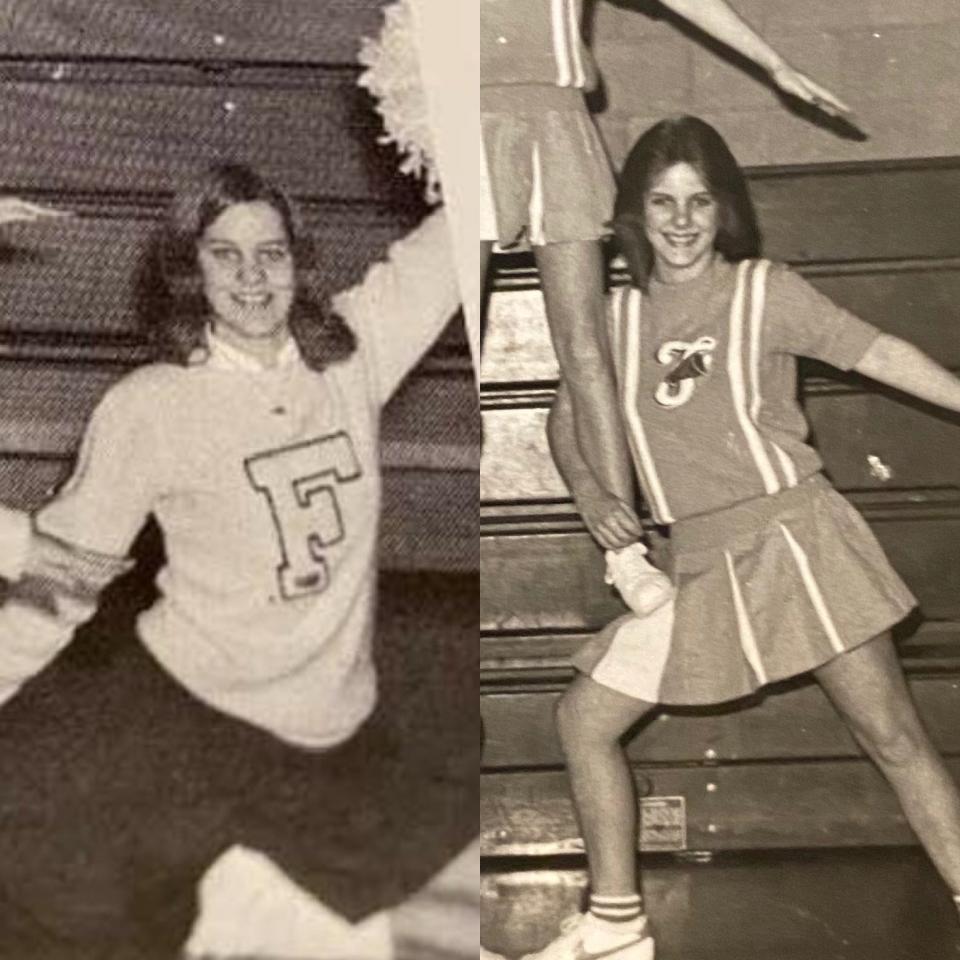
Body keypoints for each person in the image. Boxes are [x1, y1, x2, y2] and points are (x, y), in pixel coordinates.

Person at [0, 163, 476, 959]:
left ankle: (242, 899)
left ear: (300, 263)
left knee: (381, 926)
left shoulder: (355, 355)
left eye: (272, 253)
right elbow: (66, 575)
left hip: (330, 728)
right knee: (66, 903)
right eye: (225, 255)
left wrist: (479, 119)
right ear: (190, 272)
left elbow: (455, 242)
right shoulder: (150, 405)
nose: (252, 277)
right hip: (185, 712)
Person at [532, 115, 960, 960]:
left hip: (793, 542)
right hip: (693, 563)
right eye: (662, 201)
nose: (682, 220)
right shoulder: (613, 319)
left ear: (726, 209)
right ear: (634, 212)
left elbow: (878, 353)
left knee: (893, 738)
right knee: (583, 720)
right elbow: (562, 421)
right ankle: (617, 927)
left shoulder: (765, 290)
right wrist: (592, 498)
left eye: (700, 200)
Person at [481, 0, 852, 578]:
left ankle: (627, 560)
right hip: (459, 111)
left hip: (555, 115)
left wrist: (771, 62)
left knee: (586, 349)